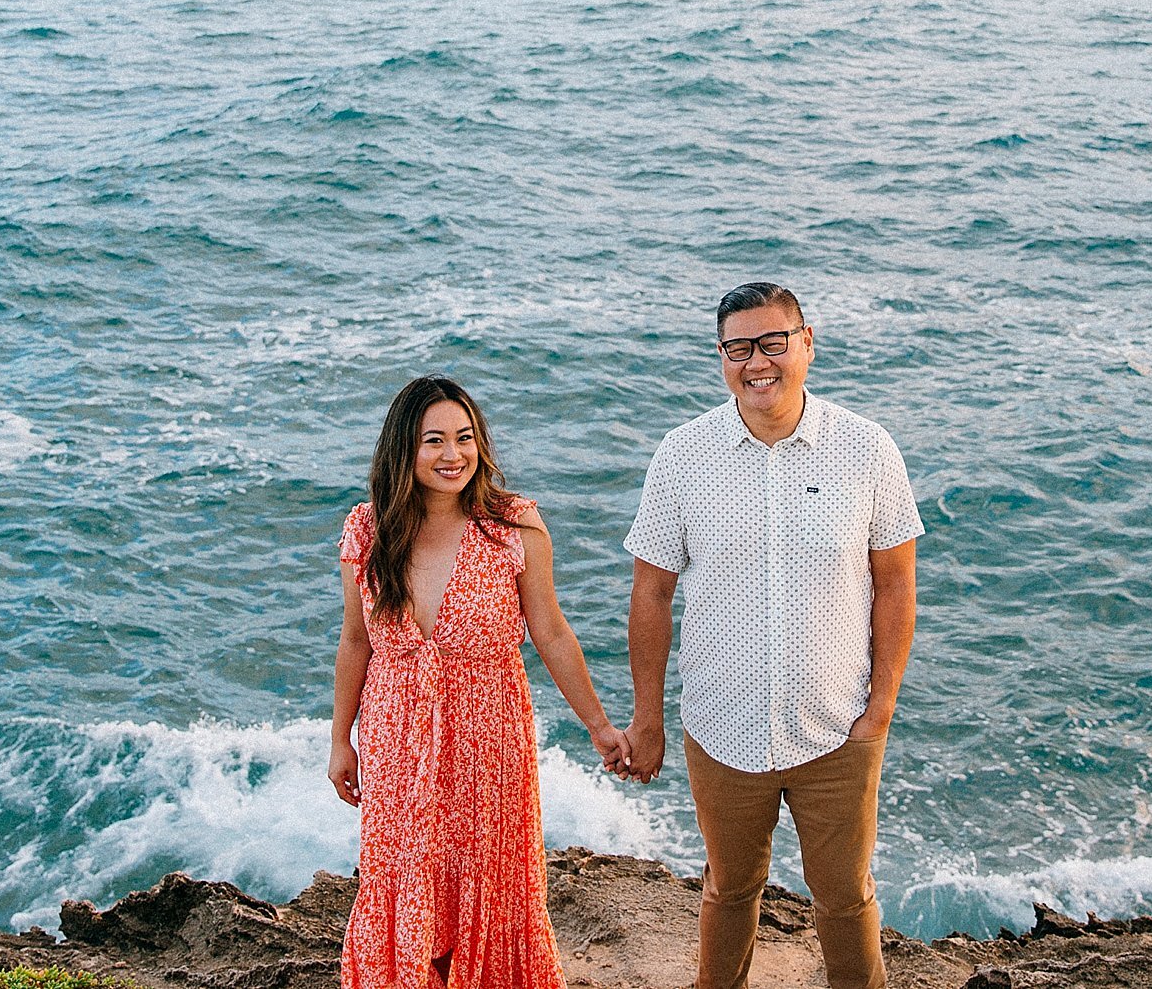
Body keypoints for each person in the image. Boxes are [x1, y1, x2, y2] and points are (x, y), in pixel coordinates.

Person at [620, 282, 923, 989]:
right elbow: (652, 592)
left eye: (773, 342)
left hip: (836, 726)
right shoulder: (683, 454)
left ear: (806, 342)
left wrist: (880, 709)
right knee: (728, 888)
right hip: (720, 725)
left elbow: (897, 585)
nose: (757, 361)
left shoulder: (866, 447)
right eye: (738, 347)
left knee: (846, 896)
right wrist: (649, 716)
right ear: (721, 357)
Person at [330, 375, 629, 989]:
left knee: (488, 880)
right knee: (404, 875)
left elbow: (551, 633)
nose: (452, 455)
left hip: (488, 741)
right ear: (402, 450)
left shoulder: (513, 525)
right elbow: (355, 642)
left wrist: (600, 726)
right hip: (396, 741)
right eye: (432, 440)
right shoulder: (368, 531)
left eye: (464, 438)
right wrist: (341, 740)